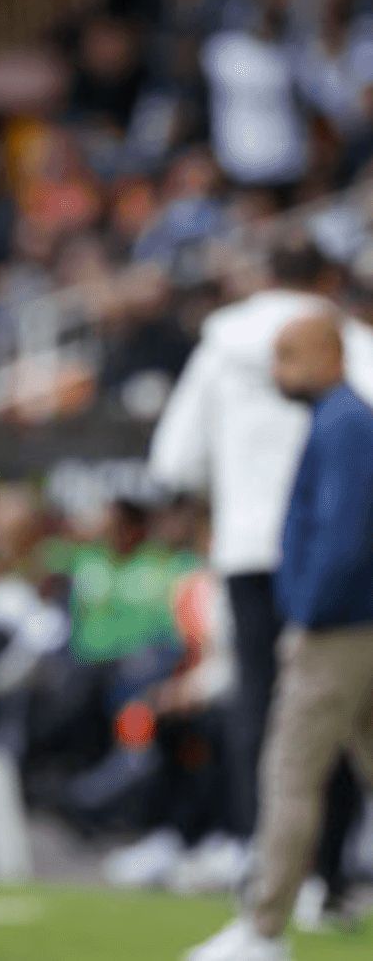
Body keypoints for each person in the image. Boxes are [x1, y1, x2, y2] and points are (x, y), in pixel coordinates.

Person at [148, 235, 373, 910]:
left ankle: (262, 865)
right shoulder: (350, 342)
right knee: (333, 720)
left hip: (251, 552)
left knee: (267, 718)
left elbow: (172, 462)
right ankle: (325, 878)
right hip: (343, 559)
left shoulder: (221, 347)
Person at [187, 313, 373, 961]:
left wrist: (307, 615)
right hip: (354, 627)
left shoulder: (345, 422)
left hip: (337, 633)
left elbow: (342, 538)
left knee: (290, 773)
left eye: (290, 356)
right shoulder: (342, 419)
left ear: (330, 354)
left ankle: (262, 930)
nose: (278, 372)